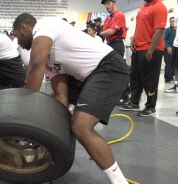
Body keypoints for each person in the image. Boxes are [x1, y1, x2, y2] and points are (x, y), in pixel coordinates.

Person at [13, 13, 130, 184]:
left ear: (24, 27)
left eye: (16, 35)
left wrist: (25, 110)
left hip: (109, 67)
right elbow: (62, 96)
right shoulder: (49, 60)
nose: (17, 41)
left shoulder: (44, 25)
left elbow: (35, 63)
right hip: (88, 76)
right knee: (52, 103)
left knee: (81, 126)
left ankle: (120, 182)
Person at [120, 0, 167, 117]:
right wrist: (133, 39)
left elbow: (159, 30)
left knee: (150, 79)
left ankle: (151, 106)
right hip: (138, 48)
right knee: (135, 77)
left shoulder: (159, 7)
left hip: (151, 49)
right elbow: (139, 26)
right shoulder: (143, 6)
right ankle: (134, 102)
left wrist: (151, 50)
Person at [163, 17, 176, 83]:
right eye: (171, 21)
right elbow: (164, 39)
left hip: (174, 48)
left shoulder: (177, 30)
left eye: (173, 21)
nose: (172, 23)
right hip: (167, 49)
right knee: (168, 63)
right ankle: (167, 78)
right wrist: (168, 47)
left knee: (173, 63)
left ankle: (171, 76)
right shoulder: (167, 30)